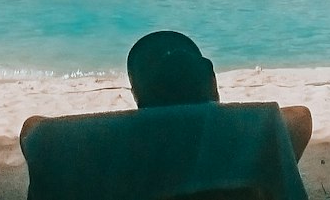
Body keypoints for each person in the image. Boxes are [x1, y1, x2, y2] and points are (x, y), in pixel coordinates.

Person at [125, 32, 312, 159]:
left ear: (138, 96)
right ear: (211, 85)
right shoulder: (241, 144)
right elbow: (300, 116)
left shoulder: (121, 147)